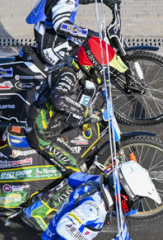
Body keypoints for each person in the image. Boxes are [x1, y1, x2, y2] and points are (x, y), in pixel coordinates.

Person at [28, 35, 118, 175]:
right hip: (43, 134)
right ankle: (49, 197)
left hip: (54, 125)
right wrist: (87, 112)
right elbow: (59, 99)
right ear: (92, 65)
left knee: (90, 144)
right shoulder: (69, 74)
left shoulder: (77, 67)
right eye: (103, 68)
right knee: (76, 174)